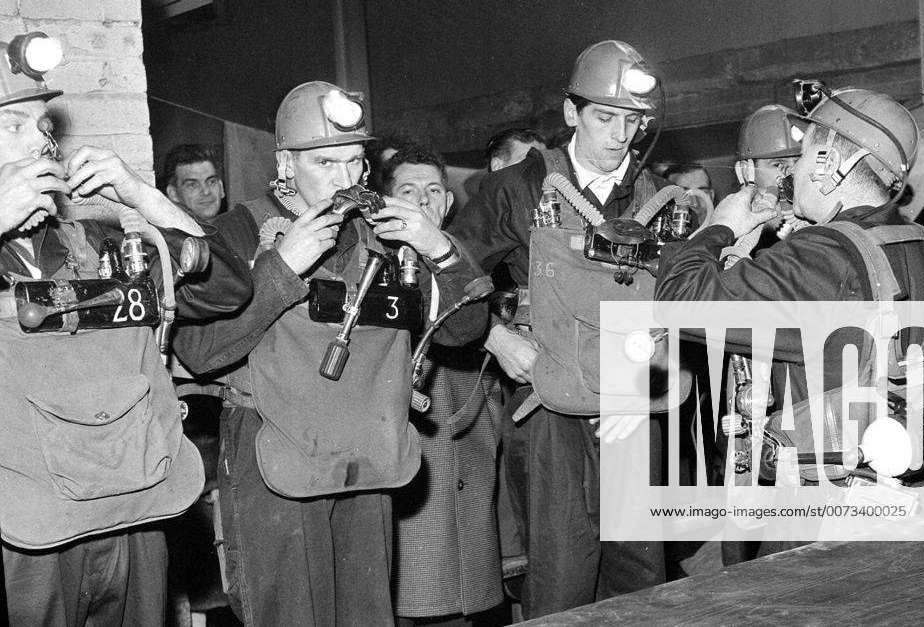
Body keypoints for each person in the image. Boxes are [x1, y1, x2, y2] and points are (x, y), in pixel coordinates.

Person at [172, 81, 488, 627]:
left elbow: (463, 332)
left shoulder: (388, 233)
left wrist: (439, 250)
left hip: (367, 452)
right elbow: (199, 350)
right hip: (276, 455)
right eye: (325, 162)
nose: (344, 180)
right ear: (285, 164)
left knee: (367, 615)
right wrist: (281, 269)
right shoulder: (238, 231)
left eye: (354, 162)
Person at [0, 31, 252, 626]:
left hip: (128, 503)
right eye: (13, 128)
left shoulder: (95, 240)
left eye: (42, 128)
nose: (40, 144)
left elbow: (226, 290)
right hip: (21, 525)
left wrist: (140, 196)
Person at [449, 40, 681, 618]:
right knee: (561, 570)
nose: (619, 135)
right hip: (546, 399)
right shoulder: (516, 189)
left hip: (632, 401)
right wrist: (495, 338)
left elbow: (681, 304)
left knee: (639, 568)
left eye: (632, 121)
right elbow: (449, 275)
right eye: (605, 117)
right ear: (571, 113)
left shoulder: (659, 198)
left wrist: (643, 381)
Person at [656, 86, 924, 499]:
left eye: (799, 159)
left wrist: (721, 227)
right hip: (915, 484)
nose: (791, 174)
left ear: (827, 162)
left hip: (822, 501)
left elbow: (678, 301)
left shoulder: (822, 257)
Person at [380, 145, 505, 626]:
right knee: (414, 584)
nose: (422, 202)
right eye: (408, 191)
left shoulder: (461, 258)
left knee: (459, 586)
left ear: (447, 204)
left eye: (434, 192)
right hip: (409, 435)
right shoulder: (377, 260)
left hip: (463, 429)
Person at [162, 143, 226, 219]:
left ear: (221, 188)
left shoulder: (239, 227)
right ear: (173, 194)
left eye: (211, 182)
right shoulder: (157, 231)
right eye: (192, 185)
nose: (206, 192)